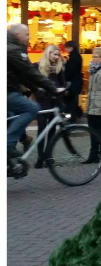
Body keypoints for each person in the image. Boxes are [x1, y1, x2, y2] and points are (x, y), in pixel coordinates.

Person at [7, 25, 61, 176]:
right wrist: (53, 88)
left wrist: (36, 89)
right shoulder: (13, 50)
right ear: (18, 35)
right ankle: (7, 145)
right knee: (32, 108)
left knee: (11, 119)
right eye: (27, 34)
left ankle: (11, 163)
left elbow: (23, 75)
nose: (29, 37)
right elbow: (30, 72)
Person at [33, 44, 67, 168]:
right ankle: (40, 157)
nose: (57, 57)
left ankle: (48, 157)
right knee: (41, 131)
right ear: (48, 54)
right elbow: (34, 83)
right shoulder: (38, 67)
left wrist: (61, 91)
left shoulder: (58, 69)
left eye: (58, 55)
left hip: (55, 103)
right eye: (55, 54)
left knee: (52, 132)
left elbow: (62, 84)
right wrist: (39, 92)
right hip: (42, 103)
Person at [63, 40, 84, 119]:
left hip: (73, 82)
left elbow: (70, 71)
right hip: (77, 82)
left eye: (66, 48)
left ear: (70, 47)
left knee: (70, 101)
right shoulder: (77, 56)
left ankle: (73, 116)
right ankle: (76, 113)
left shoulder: (73, 57)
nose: (65, 49)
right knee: (73, 100)